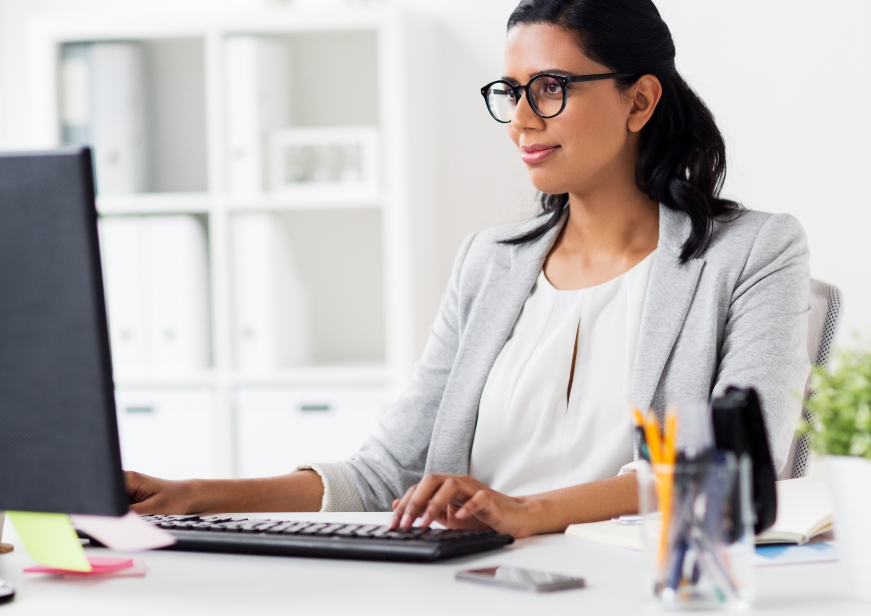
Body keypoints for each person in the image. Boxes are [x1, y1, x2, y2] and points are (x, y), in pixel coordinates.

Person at [125, 0, 810, 538]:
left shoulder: (751, 252)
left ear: (639, 100)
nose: (521, 122)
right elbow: (385, 471)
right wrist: (190, 495)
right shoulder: (489, 263)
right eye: (510, 93)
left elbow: (732, 470)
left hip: (640, 586)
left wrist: (526, 511)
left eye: (549, 88)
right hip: (471, 584)